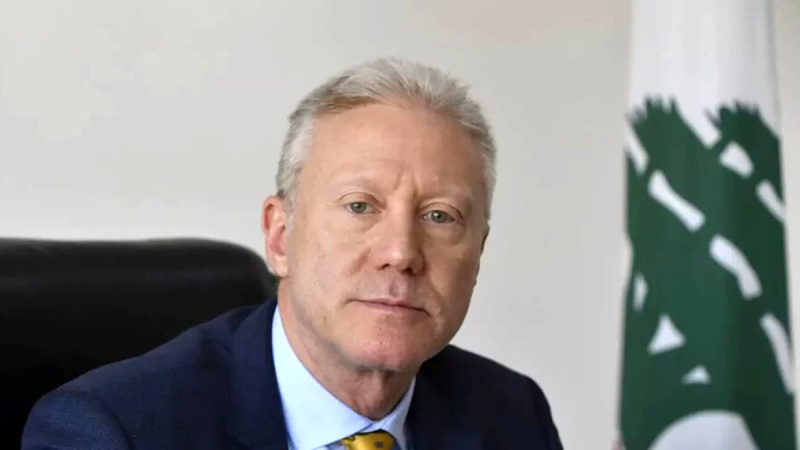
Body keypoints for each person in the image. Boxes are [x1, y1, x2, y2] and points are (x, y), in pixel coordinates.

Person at [22, 58, 562, 449]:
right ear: (280, 236)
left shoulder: (512, 415)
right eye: (359, 206)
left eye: (440, 216)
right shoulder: (108, 433)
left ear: (478, 255)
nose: (401, 253)